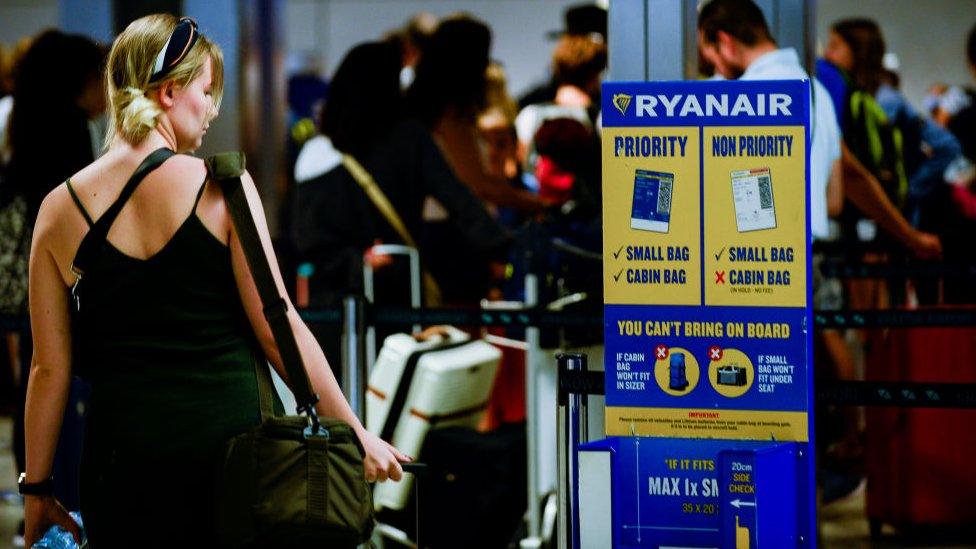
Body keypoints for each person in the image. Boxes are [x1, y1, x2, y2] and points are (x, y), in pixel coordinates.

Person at [23, 15, 406, 545]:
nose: (212, 108)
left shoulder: (58, 209)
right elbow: (277, 326)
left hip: (119, 460)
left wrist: (36, 487)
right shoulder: (221, 187)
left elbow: (47, 368)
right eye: (206, 91)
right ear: (170, 90)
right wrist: (353, 433)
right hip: (232, 457)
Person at [291, 41, 510, 359]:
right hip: (399, 302)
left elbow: (308, 240)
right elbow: (459, 200)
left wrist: (356, 261)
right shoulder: (410, 138)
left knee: (340, 405)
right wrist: (506, 247)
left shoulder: (318, 153)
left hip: (333, 313)